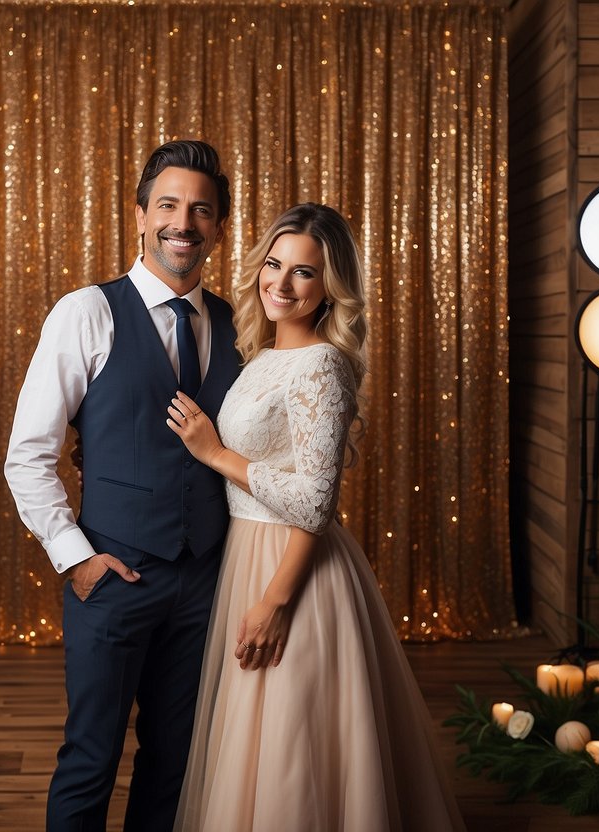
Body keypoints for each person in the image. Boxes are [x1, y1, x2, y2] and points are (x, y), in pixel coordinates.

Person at [167, 203, 466, 831]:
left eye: (303, 273)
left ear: (330, 287)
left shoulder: (322, 366)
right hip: (249, 554)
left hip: (292, 569)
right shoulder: (261, 358)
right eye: (274, 264)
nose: (280, 283)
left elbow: (316, 502)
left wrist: (216, 455)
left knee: (292, 745)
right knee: (255, 741)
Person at [4, 140, 242, 832]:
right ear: (139, 216)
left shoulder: (236, 323)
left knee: (175, 760)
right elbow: (28, 454)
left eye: (201, 210)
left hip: (204, 581)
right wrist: (75, 558)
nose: (183, 222)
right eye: (167, 205)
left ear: (219, 227)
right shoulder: (85, 312)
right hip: (113, 573)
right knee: (91, 756)